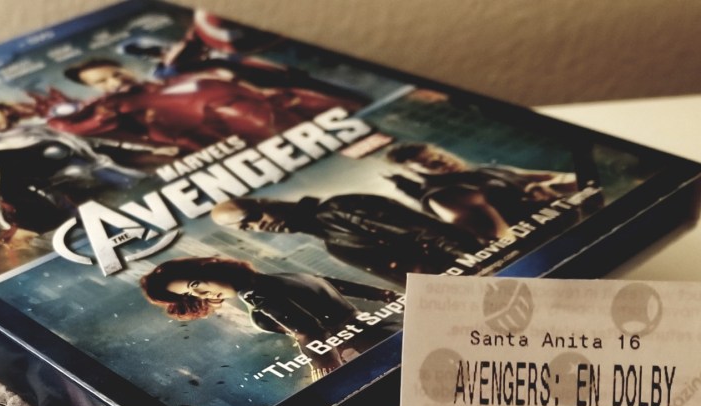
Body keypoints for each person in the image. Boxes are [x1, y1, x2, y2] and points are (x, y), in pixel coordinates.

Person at [0, 99, 149, 265]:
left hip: (117, 188)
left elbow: (95, 146)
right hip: (62, 213)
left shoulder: (38, 130)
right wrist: (6, 230)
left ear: (3, 111)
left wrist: (152, 151)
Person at [140, 256, 400, 378]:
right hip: (381, 332)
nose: (201, 294)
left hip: (364, 350)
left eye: (195, 283)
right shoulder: (279, 277)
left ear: (210, 268)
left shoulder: (255, 293)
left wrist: (323, 368)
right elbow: (336, 285)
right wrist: (385, 294)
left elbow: (308, 330)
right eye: (190, 293)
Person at [51, 56, 363, 156]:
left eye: (116, 73)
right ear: (94, 88)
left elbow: (269, 91)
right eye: (102, 81)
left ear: (126, 68)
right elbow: (71, 126)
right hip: (256, 149)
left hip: (302, 119)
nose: (114, 81)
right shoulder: (113, 109)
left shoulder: (183, 77)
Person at [211, 195, 489, 284]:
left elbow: (432, 233)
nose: (259, 226)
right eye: (246, 227)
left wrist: (484, 269)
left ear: (265, 201)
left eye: (252, 215)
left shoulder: (338, 209)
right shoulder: (331, 239)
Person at [383, 141, 590, 240]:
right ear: (414, 172)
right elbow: (501, 239)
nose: (443, 162)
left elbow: (569, 179)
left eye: (440, 155)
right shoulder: (443, 196)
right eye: (431, 163)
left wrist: (552, 186)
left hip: (581, 223)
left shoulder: (485, 170)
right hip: (555, 242)